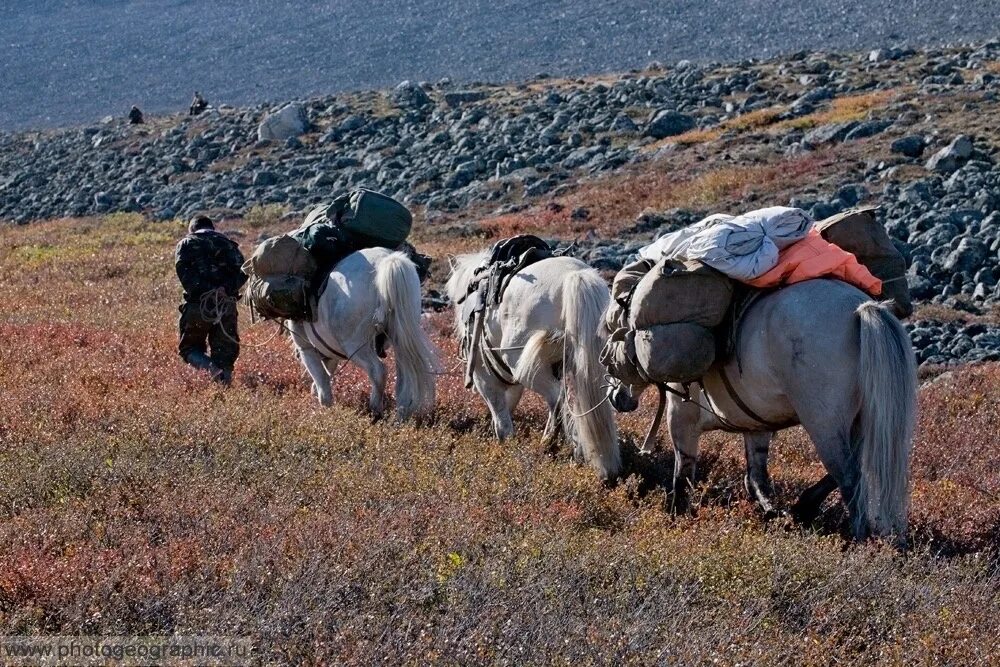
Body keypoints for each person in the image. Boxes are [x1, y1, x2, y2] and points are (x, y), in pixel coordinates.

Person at [174, 215, 247, 384]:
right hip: (226, 306)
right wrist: (225, 289)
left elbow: (185, 277)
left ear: (192, 229)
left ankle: (210, 369)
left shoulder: (186, 244)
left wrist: (209, 291)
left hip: (198, 307)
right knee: (225, 353)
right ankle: (224, 383)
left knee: (189, 348)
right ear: (212, 228)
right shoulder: (228, 244)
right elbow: (244, 271)